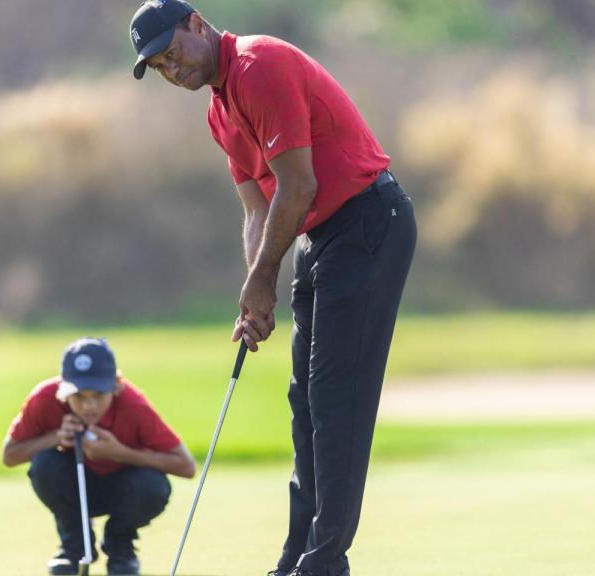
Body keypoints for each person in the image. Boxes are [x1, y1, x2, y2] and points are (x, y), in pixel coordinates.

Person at [129, 2, 417, 575]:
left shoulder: (258, 66)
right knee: (305, 403)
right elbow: (257, 208)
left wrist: (264, 280)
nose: (172, 68)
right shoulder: (219, 110)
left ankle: (324, 561)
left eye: (173, 51)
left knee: (337, 402)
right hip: (321, 236)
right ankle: (297, 554)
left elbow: (300, 184)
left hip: (366, 223)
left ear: (196, 23)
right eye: (159, 65)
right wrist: (253, 291)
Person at [2, 337, 196, 576]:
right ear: (63, 389)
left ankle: (119, 547)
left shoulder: (134, 406)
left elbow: (186, 466)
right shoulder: (44, 398)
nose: (88, 406)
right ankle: (74, 548)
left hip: (124, 491)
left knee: (152, 485)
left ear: (116, 384)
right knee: (45, 464)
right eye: (79, 396)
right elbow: (9, 455)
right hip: (74, 489)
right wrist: (55, 437)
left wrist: (119, 453)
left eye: (98, 395)